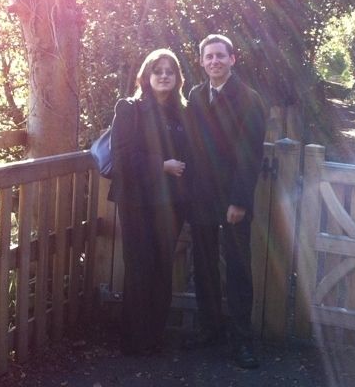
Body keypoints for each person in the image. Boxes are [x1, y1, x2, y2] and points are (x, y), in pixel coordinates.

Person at [185, 34, 266, 369]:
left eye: (220, 55)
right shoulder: (195, 95)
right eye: (209, 56)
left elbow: (251, 154)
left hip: (233, 200)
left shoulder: (249, 99)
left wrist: (239, 201)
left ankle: (242, 341)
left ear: (233, 59)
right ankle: (210, 330)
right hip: (201, 196)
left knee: (238, 270)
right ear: (202, 62)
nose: (214, 61)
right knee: (204, 267)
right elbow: (190, 145)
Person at [108, 48, 194, 356]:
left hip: (171, 204)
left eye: (170, 71)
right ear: (147, 75)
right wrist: (162, 165)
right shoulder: (129, 109)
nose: (164, 76)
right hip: (136, 202)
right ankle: (133, 339)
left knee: (162, 267)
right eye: (158, 71)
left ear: (177, 78)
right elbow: (121, 157)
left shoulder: (183, 112)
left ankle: (154, 337)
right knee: (139, 265)